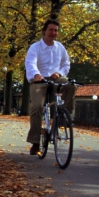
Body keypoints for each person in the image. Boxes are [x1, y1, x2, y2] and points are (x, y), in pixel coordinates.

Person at [24, 19, 76, 155]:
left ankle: (64, 116)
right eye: (51, 30)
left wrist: (59, 73)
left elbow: (66, 64)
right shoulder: (35, 47)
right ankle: (35, 141)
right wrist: (36, 74)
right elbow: (30, 62)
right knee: (37, 107)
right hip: (39, 80)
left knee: (70, 85)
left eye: (56, 30)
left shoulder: (60, 47)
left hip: (56, 78)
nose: (54, 33)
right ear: (44, 31)